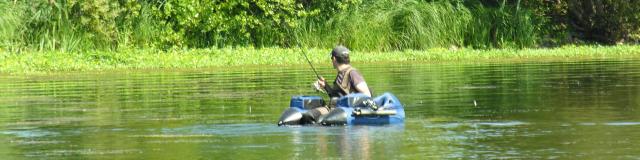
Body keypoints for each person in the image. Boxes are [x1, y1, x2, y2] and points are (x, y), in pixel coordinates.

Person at [303, 46, 372, 123]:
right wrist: (325, 86)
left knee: (316, 119)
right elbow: (336, 96)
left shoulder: (352, 73)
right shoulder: (341, 73)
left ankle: (321, 131)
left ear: (334, 59)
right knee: (308, 115)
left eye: (331, 58)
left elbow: (367, 95)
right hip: (333, 109)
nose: (331, 61)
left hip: (344, 111)